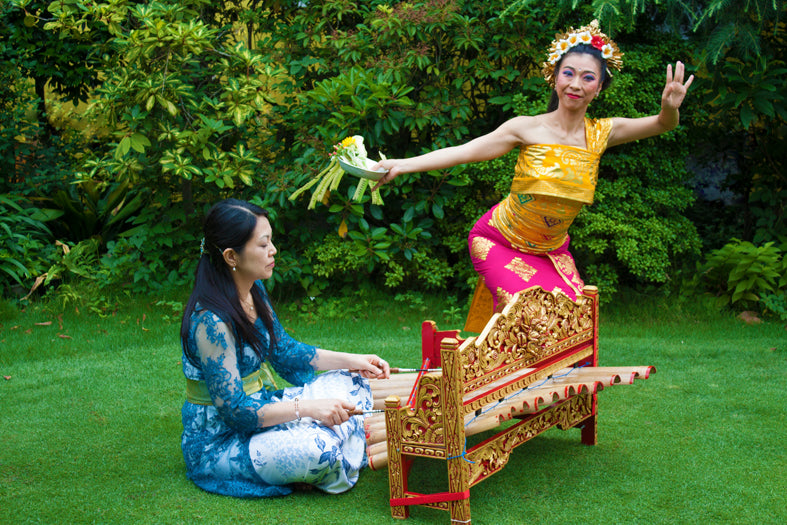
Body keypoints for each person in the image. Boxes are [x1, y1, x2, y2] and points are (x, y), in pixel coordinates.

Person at [372, 20, 693, 331]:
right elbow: (465, 151)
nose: (575, 84)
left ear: (600, 87)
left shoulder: (603, 132)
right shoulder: (525, 127)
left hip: (552, 251)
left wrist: (670, 106)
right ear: (554, 78)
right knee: (534, 323)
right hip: (499, 242)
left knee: (577, 327)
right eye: (567, 73)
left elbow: (663, 124)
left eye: (587, 77)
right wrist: (402, 164)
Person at [179, 198, 391, 497]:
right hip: (222, 441)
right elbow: (236, 413)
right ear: (231, 256)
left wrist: (354, 360)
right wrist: (308, 408)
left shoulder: (254, 287)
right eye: (263, 244)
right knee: (321, 452)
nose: (273, 250)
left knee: (354, 379)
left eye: (271, 241)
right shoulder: (211, 322)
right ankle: (332, 437)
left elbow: (284, 350)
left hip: (264, 403)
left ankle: (330, 433)